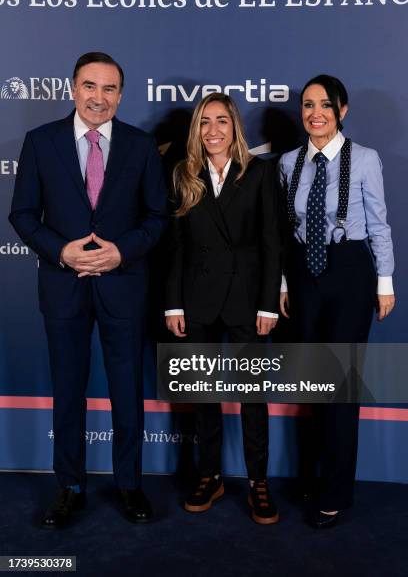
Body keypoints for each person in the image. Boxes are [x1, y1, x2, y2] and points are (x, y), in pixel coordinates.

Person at [9, 52, 167, 528]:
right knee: (68, 390)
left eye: (110, 89)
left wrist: (122, 252)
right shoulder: (40, 143)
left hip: (123, 285)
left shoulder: (141, 147)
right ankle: (70, 486)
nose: (99, 98)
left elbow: (158, 218)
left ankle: (129, 484)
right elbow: (22, 214)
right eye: (90, 86)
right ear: (73, 88)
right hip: (63, 286)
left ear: (121, 94)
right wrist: (62, 252)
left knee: (126, 391)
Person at [279, 74, 395, 528]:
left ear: (342, 111)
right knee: (311, 383)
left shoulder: (365, 159)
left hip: (349, 272)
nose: (315, 114)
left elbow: (380, 224)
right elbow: (287, 232)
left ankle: (335, 493)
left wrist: (384, 281)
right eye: (308, 105)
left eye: (325, 105)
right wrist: (284, 285)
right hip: (304, 275)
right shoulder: (289, 162)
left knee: (341, 387)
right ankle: (310, 476)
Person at [165, 92, 281, 525]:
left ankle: (258, 481)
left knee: (253, 397)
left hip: (248, 302)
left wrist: (269, 303)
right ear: (196, 129)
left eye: (222, 122)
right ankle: (209, 474)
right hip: (197, 301)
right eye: (204, 122)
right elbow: (175, 247)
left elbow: (272, 241)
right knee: (203, 395)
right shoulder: (183, 174)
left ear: (235, 128)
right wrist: (172, 303)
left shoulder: (259, 173)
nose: (213, 130)